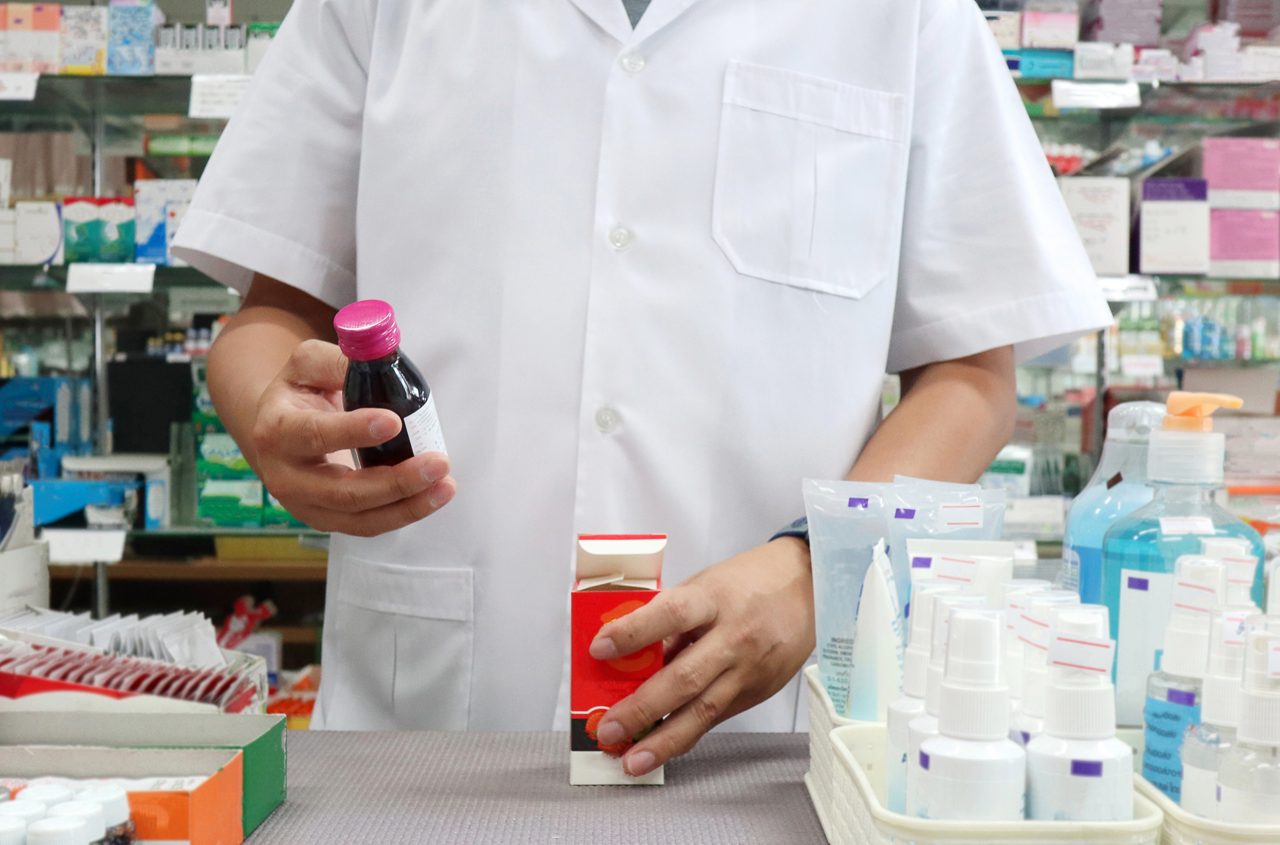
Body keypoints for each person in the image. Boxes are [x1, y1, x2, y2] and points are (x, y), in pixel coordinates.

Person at [172, 0, 1112, 779]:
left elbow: (971, 373)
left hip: (756, 732)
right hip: (431, 722)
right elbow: (271, 311)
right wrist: (268, 417)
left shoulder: (903, 13)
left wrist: (810, 571)